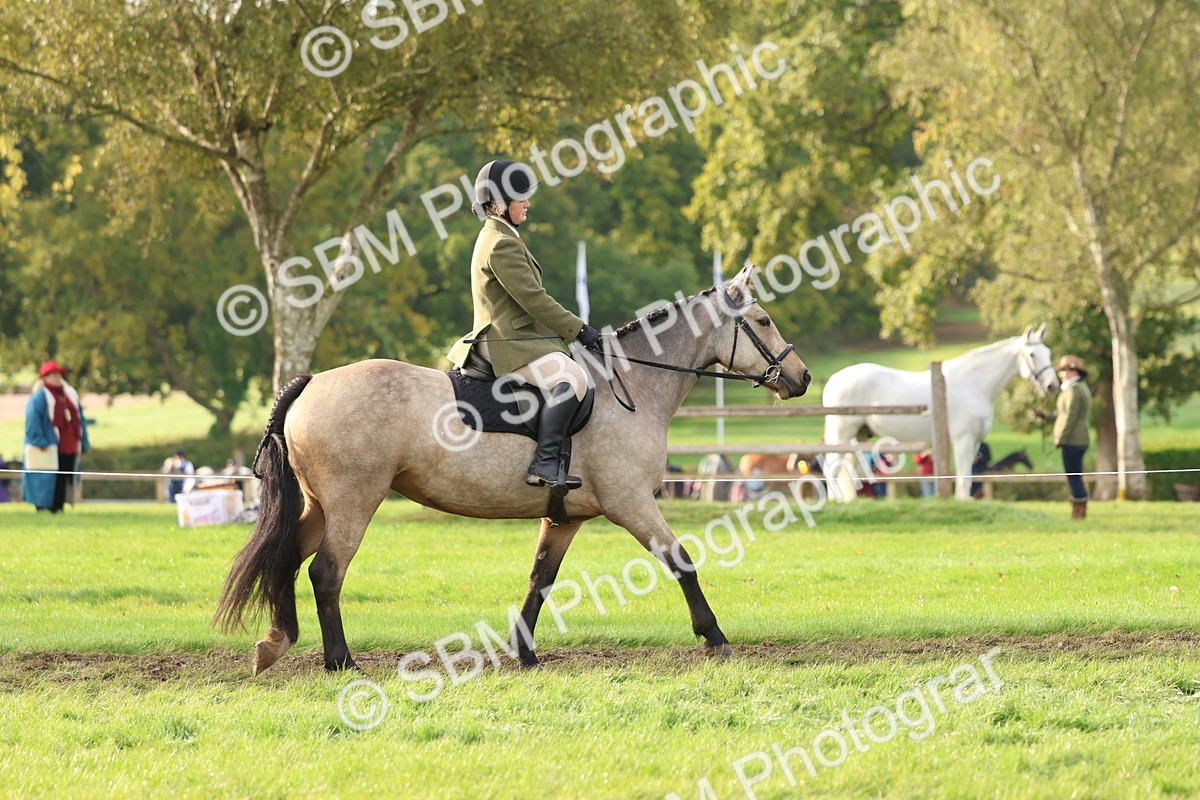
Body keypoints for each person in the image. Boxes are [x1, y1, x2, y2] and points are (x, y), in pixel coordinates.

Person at [446, 159, 600, 491]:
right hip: (504, 342)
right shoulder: (501, 243)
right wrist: (579, 330)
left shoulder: (500, 235)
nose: (528, 204)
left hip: (516, 336)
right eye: (521, 198)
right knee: (574, 378)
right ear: (499, 203)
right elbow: (534, 299)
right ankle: (544, 463)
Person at [23, 361, 90, 513]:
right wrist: (41, 441)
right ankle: (42, 507)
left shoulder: (70, 394)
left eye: (58, 374)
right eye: (53, 374)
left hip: (68, 444)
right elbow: (33, 420)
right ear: (45, 377)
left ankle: (58, 508)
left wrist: (84, 442)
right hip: (48, 445)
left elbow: (80, 419)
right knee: (44, 478)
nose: (57, 377)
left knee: (64, 478)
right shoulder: (39, 397)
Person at [1036, 355, 1092, 519]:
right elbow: (1063, 414)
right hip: (1075, 439)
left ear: (1074, 371)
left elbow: (1071, 417)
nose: (1062, 374)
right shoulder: (1075, 388)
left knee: (1074, 476)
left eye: (1065, 371)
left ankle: (1079, 512)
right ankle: (1078, 510)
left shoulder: (1075, 390)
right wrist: (1046, 416)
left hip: (1073, 440)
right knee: (1074, 475)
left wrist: (1061, 438)